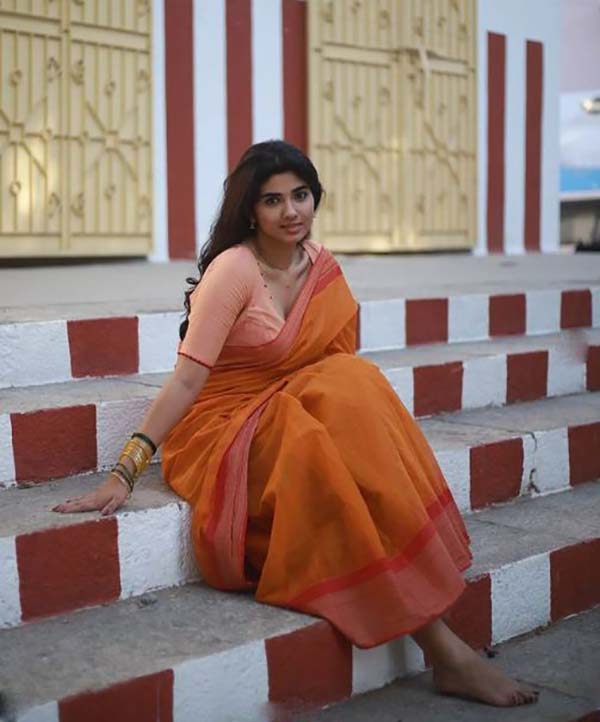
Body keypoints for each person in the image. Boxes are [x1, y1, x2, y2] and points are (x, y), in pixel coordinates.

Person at [53, 140, 539, 708]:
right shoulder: (233, 271)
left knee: (356, 382)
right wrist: (125, 471)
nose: (291, 212)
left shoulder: (321, 267)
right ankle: (446, 652)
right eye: (272, 200)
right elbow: (186, 381)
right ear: (250, 211)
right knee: (310, 441)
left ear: (315, 197)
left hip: (292, 405)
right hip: (224, 427)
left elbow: (331, 365)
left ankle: (434, 622)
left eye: (300, 195)